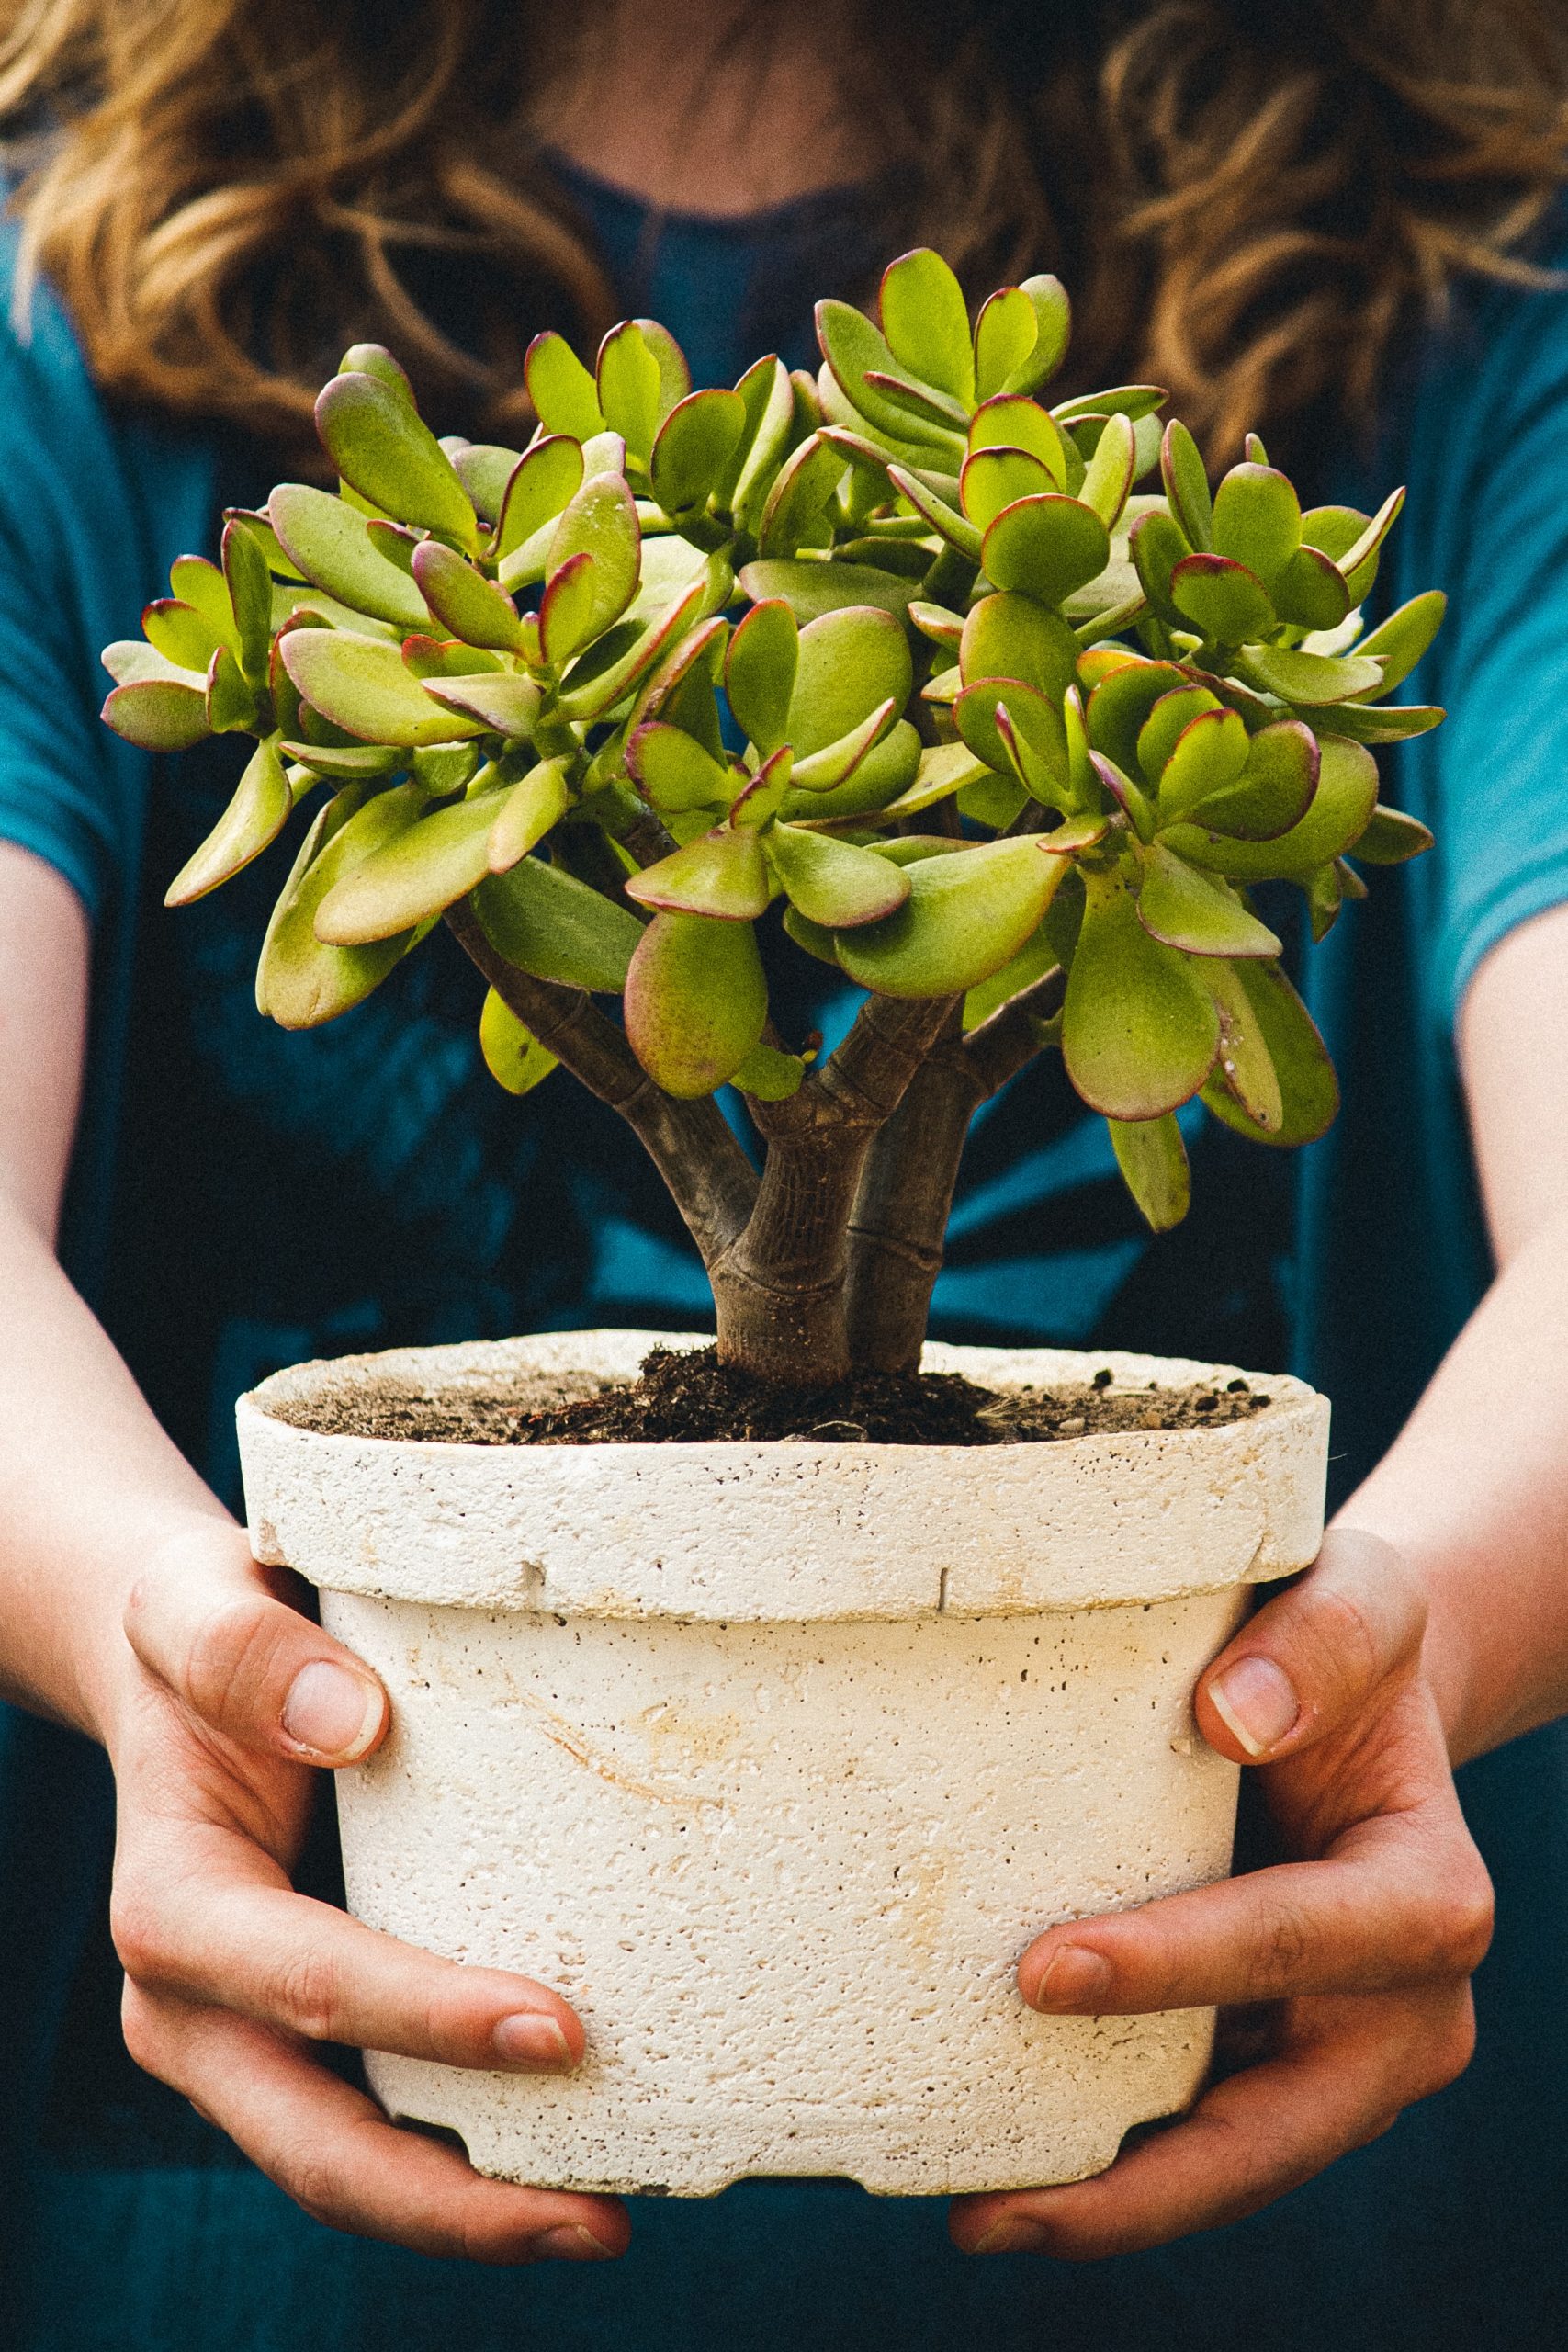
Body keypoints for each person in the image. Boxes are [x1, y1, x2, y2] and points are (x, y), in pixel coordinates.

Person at [1, 1, 1567, 2344]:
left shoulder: (1463, 279)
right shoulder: (68, 275)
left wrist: (1409, 1630)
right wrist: (154, 1636)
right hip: (255, 2265)